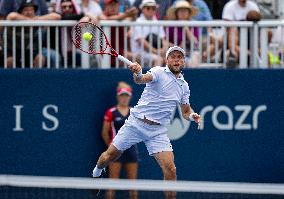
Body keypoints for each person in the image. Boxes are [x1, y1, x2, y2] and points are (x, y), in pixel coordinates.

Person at [92, 46, 201, 199]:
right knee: (109, 156)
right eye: (173, 57)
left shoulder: (184, 86)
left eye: (180, 57)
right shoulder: (158, 72)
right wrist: (137, 72)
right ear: (167, 60)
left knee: (170, 169)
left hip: (158, 131)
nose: (177, 60)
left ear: (183, 61)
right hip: (136, 124)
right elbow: (140, 79)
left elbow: (185, 111)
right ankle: (96, 172)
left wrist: (192, 115)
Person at [101, 82, 138, 199]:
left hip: (131, 151)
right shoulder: (111, 112)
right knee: (112, 184)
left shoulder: (134, 112)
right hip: (115, 153)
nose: (124, 98)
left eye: (126, 95)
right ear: (118, 97)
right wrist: (111, 147)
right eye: (122, 95)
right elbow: (104, 133)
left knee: (133, 186)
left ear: (130, 97)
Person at [5, 0, 61, 68]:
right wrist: (29, 20)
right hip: (16, 52)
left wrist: (37, 19)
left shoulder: (38, 21)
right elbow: (11, 16)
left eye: (31, 10)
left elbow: (57, 16)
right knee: (9, 61)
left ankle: (39, 77)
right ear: (21, 12)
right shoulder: (16, 21)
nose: (29, 12)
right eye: (26, 10)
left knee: (45, 57)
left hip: (35, 52)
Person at [131, 0, 169, 67]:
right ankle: (153, 77)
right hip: (140, 53)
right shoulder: (138, 22)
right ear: (142, 9)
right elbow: (141, 41)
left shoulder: (157, 23)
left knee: (171, 60)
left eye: (153, 8)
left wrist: (163, 50)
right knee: (158, 59)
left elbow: (163, 40)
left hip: (154, 53)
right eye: (148, 8)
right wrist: (157, 51)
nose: (151, 10)